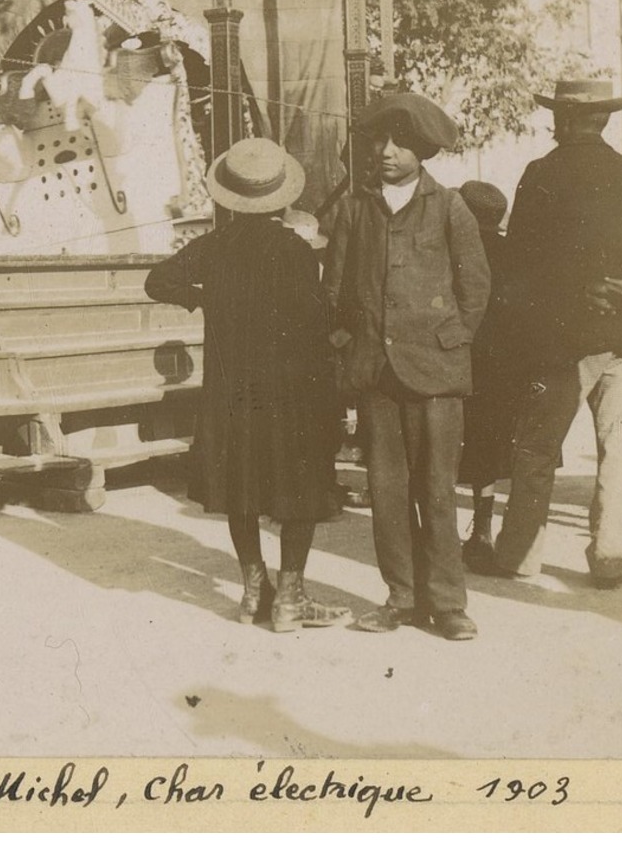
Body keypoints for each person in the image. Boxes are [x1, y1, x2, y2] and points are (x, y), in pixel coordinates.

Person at [471, 79, 622, 589]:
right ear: (603, 120)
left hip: (559, 341)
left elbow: (519, 262)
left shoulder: (541, 174)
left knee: (537, 447)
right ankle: (610, 556)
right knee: (617, 445)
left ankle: (520, 556)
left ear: (563, 120)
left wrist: (573, 292)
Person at [145, 137, 349, 633]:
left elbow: (157, 281)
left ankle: (254, 589)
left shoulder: (212, 248)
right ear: (282, 196)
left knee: (241, 486)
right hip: (288, 393)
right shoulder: (296, 252)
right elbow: (315, 325)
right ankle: (291, 599)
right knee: (299, 487)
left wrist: (203, 297)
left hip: (231, 394)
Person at [325, 93, 490, 640]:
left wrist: (453, 336)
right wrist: (351, 341)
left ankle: (447, 603)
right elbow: (337, 289)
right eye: (381, 141)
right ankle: (400, 596)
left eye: (401, 143)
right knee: (387, 491)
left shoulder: (449, 207)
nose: (388, 152)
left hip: (436, 374)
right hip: (376, 372)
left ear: (424, 151)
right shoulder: (355, 209)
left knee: (438, 490)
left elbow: (476, 286)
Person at [455, 180, 518, 566]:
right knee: (491, 446)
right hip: (504, 364)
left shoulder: (458, 249)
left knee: (450, 445)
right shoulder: (513, 251)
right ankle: (483, 527)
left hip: (464, 358)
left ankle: (444, 532)